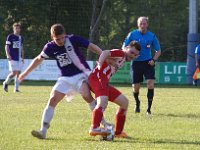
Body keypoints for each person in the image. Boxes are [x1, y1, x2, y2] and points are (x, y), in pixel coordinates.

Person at [18, 23, 108, 139]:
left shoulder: (73, 39)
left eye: (62, 38)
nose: (60, 41)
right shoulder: (49, 47)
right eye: (57, 39)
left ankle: (104, 124)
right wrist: (25, 73)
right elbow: (38, 59)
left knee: (86, 96)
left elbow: (91, 46)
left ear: (65, 34)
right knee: (52, 99)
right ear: (52, 37)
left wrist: (104, 55)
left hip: (81, 75)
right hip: (65, 78)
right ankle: (43, 131)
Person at [88, 41, 141, 138]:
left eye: (136, 55)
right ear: (126, 48)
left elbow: (109, 59)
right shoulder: (121, 53)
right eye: (132, 52)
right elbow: (105, 53)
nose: (133, 55)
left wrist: (109, 62)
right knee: (102, 101)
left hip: (103, 82)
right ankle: (94, 127)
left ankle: (118, 132)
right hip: (98, 78)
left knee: (124, 102)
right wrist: (100, 65)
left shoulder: (123, 58)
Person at [122, 16, 161, 115]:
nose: (143, 25)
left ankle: (148, 109)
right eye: (141, 24)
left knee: (150, 83)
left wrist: (154, 59)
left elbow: (158, 51)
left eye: (144, 23)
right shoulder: (132, 34)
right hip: (136, 63)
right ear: (138, 25)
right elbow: (124, 47)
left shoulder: (152, 36)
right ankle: (137, 103)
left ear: (147, 24)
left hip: (148, 62)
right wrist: (129, 54)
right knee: (136, 87)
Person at [3, 22, 24, 92]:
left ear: (20, 29)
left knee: (18, 73)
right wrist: (8, 55)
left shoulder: (21, 37)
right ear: (13, 29)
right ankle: (5, 83)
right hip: (12, 57)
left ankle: (16, 89)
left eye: (18, 28)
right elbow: (6, 46)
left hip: (19, 58)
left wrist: (22, 58)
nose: (17, 30)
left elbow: (21, 48)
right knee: (14, 72)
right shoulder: (10, 36)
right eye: (16, 28)